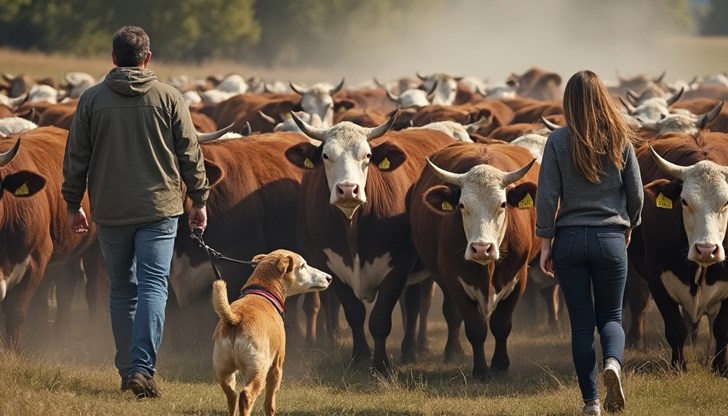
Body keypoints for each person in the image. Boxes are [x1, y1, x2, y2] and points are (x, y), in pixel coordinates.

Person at [62, 25, 209, 399]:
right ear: (147, 59)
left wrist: (72, 204)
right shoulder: (170, 97)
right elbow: (190, 154)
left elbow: (76, 156)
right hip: (159, 210)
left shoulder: (91, 100)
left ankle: (129, 369)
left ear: (114, 58)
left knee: (122, 289)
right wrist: (200, 199)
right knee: (154, 286)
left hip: (110, 211)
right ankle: (142, 368)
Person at [535, 70, 643, 416]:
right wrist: (629, 225)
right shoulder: (620, 139)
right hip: (610, 238)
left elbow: (547, 195)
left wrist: (545, 241)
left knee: (581, 324)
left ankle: (591, 403)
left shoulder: (557, 141)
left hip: (568, 240)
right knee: (611, 317)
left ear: (569, 101)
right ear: (603, 97)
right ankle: (612, 362)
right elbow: (637, 193)